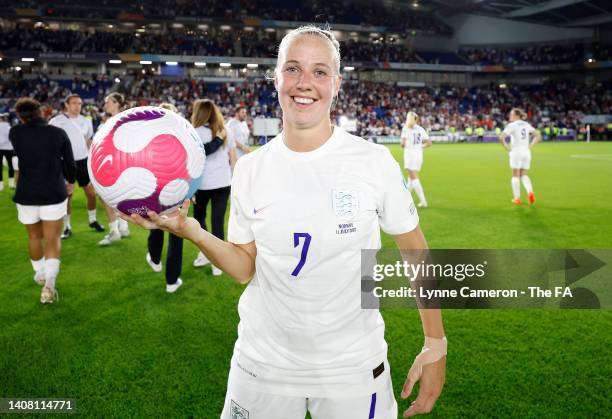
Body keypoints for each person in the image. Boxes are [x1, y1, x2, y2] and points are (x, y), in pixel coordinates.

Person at [122, 25, 446, 418]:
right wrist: (189, 229)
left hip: (353, 368)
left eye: (319, 72)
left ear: (337, 83)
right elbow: (245, 268)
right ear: (275, 78)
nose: (304, 83)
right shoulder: (250, 169)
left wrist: (436, 342)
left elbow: (416, 252)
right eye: (292, 69)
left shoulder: (373, 162)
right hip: (262, 366)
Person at [9, 98, 76, 304]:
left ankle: (40, 273)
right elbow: (69, 162)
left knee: (34, 237)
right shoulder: (58, 133)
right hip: (53, 192)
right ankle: (49, 285)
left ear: (20, 116)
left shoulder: (15, 133)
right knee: (53, 239)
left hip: (27, 193)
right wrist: (71, 181)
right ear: (42, 112)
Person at [191, 99, 236, 276]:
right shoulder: (225, 131)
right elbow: (233, 159)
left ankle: (210, 256)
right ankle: (212, 259)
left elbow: (193, 160)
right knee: (216, 222)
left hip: (203, 184)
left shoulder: (194, 132)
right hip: (221, 183)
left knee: (200, 221)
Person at [49, 94, 103, 238]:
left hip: (83, 162)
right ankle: (66, 227)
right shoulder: (56, 121)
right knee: (68, 195)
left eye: (79, 103)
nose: (77, 106)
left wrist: (93, 157)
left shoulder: (86, 121)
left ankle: (92, 220)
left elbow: (88, 141)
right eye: (74, 103)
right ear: (66, 105)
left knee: (91, 194)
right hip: (65, 163)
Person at [97, 93, 131, 246]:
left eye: (108, 102)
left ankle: (114, 231)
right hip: (121, 164)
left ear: (116, 103)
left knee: (107, 197)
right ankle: (123, 227)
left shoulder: (116, 121)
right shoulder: (124, 118)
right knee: (120, 197)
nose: (105, 105)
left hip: (112, 164)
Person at [499, 108, 541, 205]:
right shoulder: (526, 124)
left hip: (516, 151)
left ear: (517, 116)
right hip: (526, 152)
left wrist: (507, 148)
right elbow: (538, 135)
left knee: (515, 175)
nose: (510, 116)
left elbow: (501, 137)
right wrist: (530, 146)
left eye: (511, 114)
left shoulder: (512, 125)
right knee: (524, 175)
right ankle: (530, 192)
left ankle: (517, 198)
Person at [401, 111, 432, 208]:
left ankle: (423, 201)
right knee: (410, 178)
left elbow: (402, 144)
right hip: (419, 155)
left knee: (414, 177)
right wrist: (419, 147)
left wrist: (408, 144)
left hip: (410, 155)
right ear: (416, 119)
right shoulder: (421, 129)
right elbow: (429, 143)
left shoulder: (406, 129)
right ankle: (405, 198)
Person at [0, 112, 15, 191]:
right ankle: (11, 184)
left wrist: (1, 142)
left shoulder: (8, 126)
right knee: (10, 165)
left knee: (9, 165)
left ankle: (2, 185)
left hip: (4, 148)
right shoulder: (9, 126)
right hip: (9, 148)